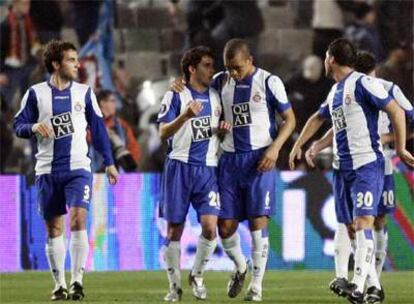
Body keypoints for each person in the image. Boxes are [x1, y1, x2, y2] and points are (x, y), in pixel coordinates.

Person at [289, 38, 414, 304]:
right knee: (350, 227)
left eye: (324, 56)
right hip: (342, 168)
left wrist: (401, 148)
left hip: (366, 164)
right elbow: (318, 118)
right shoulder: (336, 91)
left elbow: (397, 112)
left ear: (331, 59)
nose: (324, 61)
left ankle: (358, 285)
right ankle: (373, 286)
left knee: (365, 222)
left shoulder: (364, 82)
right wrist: (300, 146)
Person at [172, 38, 296, 301]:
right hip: (228, 162)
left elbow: (290, 119)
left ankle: (257, 287)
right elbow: (194, 86)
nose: (233, 73)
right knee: (225, 227)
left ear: (250, 60)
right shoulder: (221, 81)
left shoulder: (269, 82)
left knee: (257, 222)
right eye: (229, 67)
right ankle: (241, 267)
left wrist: (275, 149)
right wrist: (178, 84)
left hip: (259, 159)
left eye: (238, 67)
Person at [14, 40, 118, 301]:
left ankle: (77, 281)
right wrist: (33, 128)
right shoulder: (36, 94)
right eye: (72, 59)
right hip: (47, 170)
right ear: (56, 64)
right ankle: (59, 284)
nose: (77, 64)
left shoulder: (84, 93)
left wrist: (109, 161)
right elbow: (18, 125)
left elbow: (99, 128)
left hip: (78, 168)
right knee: (54, 229)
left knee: (79, 220)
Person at [157, 46, 231, 302]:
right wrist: (184, 116)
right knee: (173, 231)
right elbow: (163, 132)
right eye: (206, 65)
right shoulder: (175, 95)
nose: (211, 70)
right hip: (178, 167)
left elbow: (215, 131)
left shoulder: (216, 97)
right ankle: (174, 288)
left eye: (212, 65)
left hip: (208, 170)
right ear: (192, 68)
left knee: (211, 229)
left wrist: (222, 130)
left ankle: (197, 276)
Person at [0, 0, 41, 109]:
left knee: (28, 98)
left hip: (27, 66)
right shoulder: (6, 24)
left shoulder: (28, 22)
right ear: (15, 4)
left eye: (28, 4)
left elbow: (32, 44)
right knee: (5, 98)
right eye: (24, 4)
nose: (27, 7)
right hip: (10, 69)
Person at [94, 89, 140, 172]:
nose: (115, 105)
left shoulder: (121, 125)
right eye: (112, 101)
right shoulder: (91, 124)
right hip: (98, 170)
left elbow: (133, 146)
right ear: (102, 103)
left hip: (120, 168)